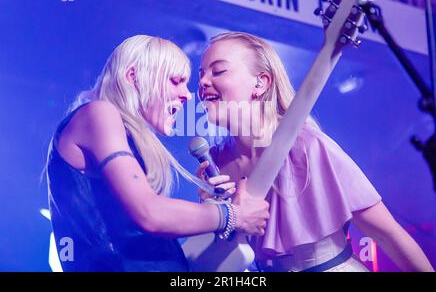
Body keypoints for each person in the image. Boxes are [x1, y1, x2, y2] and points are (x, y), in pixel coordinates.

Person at [196, 32, 434, 272]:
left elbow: (388, 235)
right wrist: (214, 214)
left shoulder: (307, 146)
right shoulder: (216, 162)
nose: (203, 82)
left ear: (261, 83)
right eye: (202, 73)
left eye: (218, 71)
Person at [45, 35, 270, 272]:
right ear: (133, 77)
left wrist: (212, 207)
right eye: (175, 81)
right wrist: (231, 214)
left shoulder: (122, 135)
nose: (188, 94)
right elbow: (150, 213)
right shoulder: (99, 113)